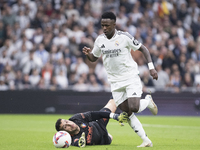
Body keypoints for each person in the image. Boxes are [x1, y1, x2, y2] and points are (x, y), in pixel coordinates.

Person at [82, 12, 158, 147]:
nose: (104, 28)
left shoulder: (124, 37)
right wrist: (89, 54)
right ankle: (146, 140)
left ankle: (147, 101)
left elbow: (144, 49)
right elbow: (94, 57)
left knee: (134, 107)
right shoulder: (100, 40)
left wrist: (151, 68)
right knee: (127, 113)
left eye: (107, 25)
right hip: (115, 81)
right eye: (102, 25)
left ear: (114, 25)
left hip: (130, 77)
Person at [55, 98, 128, 147]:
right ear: (65, 132)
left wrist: (114, 116)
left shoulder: (76, 118)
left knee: (112, 102)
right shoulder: (71, 138)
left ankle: (122, 87)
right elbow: (77, 143)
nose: (69, 124)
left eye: (66, 121)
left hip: (98, 123)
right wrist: (81, 143)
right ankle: (108, 134)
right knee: (110, 138)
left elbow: (96, 114)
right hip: (103, 139)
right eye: (65, 126)